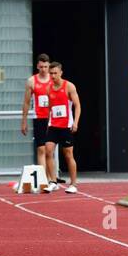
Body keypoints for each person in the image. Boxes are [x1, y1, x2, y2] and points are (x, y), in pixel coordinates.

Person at [41, 61, 81, 193]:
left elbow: (77, 106)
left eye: (55, 73)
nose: (52, 76)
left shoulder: (69, 86)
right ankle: (53, 181)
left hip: (66, 126)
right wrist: (48, 124)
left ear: (61, 73)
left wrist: (75, 122)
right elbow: (50, 109)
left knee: (68, 155)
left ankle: (73, 184)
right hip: (53, 126)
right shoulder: (48, 89)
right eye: (51, 73)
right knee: (48, 151)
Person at [19, 53, 55, 189]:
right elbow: (27, 102)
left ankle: (52, 179)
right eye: (41, 67)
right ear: (37, 66)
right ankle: (43, 179)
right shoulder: (32, 81)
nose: (44, 69)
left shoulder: (54, 80)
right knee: (41, 149)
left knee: (49, 151)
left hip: (53, 119)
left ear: (49, 66)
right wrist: (24, 120)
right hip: (39, 118)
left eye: (46, 67)